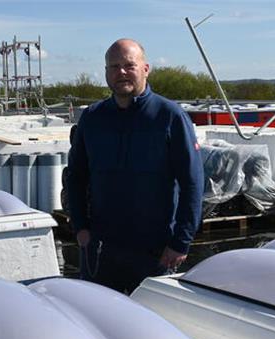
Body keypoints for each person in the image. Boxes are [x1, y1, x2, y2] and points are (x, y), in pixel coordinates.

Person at [66, 38, 203, 294]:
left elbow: (192, 183)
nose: (121, 72)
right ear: (106, 72)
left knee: (148, 328)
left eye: (129, 65)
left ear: (146, 68)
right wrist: (80, 226)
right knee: (99, 322)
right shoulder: (93, 118)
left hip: (154, 253)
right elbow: (75, 176)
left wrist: (181, 242)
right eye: (114, 66)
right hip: (100, 250)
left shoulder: (170, 117)